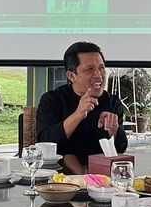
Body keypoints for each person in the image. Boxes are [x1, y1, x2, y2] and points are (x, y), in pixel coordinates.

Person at [36, 41, 127, 174]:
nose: (98, 75)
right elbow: (45, 143)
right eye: (89, 69)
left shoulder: (112, 102)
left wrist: (114, 130)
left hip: (102, 176)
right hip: (59, 175)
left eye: (101, 68)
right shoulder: (52, 100)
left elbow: (120, 149)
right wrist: (78, 114)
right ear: (72, 76)